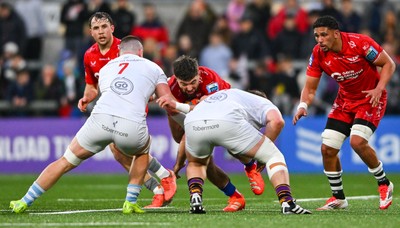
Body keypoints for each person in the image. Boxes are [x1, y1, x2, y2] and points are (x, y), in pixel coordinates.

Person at [10, 35, 174, 214]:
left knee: (66, 161)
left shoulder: (106, 68)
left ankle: (24, 201)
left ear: (119, 52)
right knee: (142, 151)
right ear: (140, 52)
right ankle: (131, 201)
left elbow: (111, 92)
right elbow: (165, 98)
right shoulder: (154, 67)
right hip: (130, 123)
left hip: (100, 120)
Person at [292, 16, 395, 210]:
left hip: (370, 98)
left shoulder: (360, 43)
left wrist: (379, 88)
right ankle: (338, 197)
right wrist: (303, 105)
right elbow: (310, 88)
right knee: (327, 149)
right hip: (344, 101)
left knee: (357, 141)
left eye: (324, 35)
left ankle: (384, 183)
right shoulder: (318, 54)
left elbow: (389, 64)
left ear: (336, 34)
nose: (319, 39)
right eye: (316, 36)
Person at [158, 88, 311, 214]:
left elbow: (195, 109)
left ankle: (196, 198)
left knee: (197, 163)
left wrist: (178, 163)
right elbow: (277, 122)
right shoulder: (263, 103)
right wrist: (262, 157)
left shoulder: (227, 95)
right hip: (227, 122)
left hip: (192, 121)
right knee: (274, 156)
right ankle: (287, 202)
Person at [80, 12, 176, 207]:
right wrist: (87, 97)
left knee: (124, 148)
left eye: (104, 27)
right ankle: (160, 185)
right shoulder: (89, 55)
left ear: (112, 28)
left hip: (131, 107)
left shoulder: (125, 49)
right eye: (96, 28)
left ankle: (162, 181)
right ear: (91, 32)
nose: (101, 32)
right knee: (119, 153)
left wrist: (151, 94)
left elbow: (146, 73)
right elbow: (92, 85)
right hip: (110, 108)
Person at [165, 55, 265, 212]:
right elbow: (182, 133)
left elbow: (207, 108)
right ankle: (236, 197)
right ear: (176, 79)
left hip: (221, 111)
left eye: (193, 82)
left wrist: (177, 166)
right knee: (203, 161)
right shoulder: (169, 86)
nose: (190, 88)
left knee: (229, 140)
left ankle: (250, 166)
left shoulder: (210, 79)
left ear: (198, 74)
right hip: (192, 115)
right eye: (184, 84)